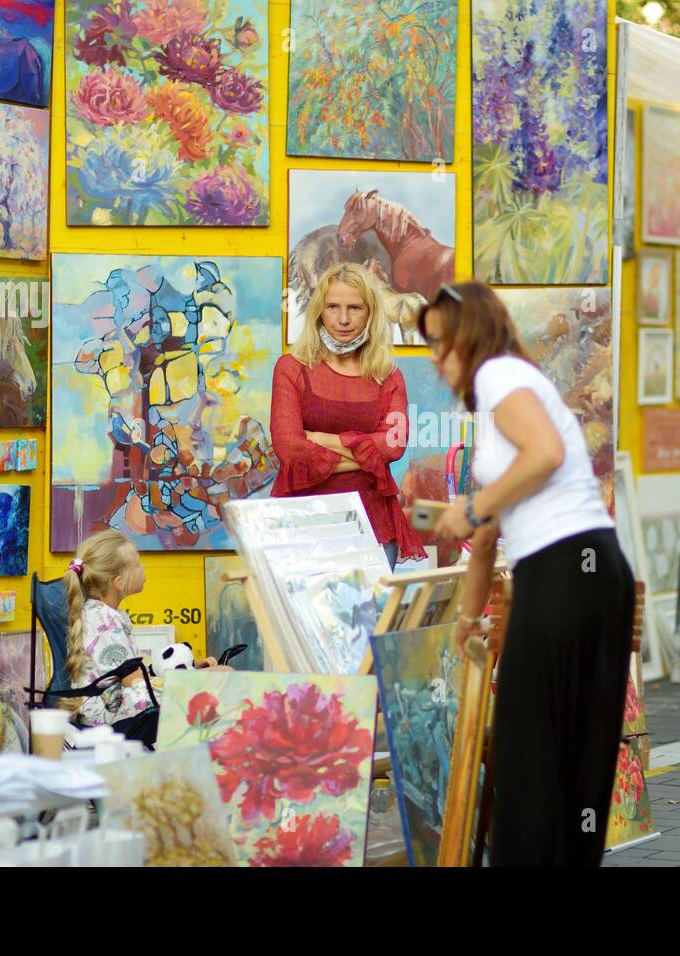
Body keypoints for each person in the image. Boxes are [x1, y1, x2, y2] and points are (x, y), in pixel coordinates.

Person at [422, 282, 634, 866]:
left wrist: (468, 508)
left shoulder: (497, 375)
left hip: (564, 571)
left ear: (473, 336)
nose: (436, 357)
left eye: (442, 343)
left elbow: (545, 455)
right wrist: (469, 619)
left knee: (529, 757)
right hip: (591, 570)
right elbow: (489, 534)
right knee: (572, 761)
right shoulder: (504, 395)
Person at [270, 263, 424, 570]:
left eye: (355, 308)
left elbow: (393, 447)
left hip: (374, 526)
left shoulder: (388, 376)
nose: (342, 319)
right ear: (318, 312)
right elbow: (290, 449)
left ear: (371, 313)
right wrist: (368, 457)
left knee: (374, 619)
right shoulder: (291, 368)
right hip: (304, 525)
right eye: (332, 307)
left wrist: (318, 439)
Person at [63, 529, 224, 748]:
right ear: (118, 582)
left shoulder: (103, 613)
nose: (143, 568)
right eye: (138, 564)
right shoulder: (105, 620)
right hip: (108, 714)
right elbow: (134, 683)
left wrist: (189, 672)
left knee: (212, 676)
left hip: (108, 706)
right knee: (223, 676)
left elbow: (130, 676)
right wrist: (191, 678)